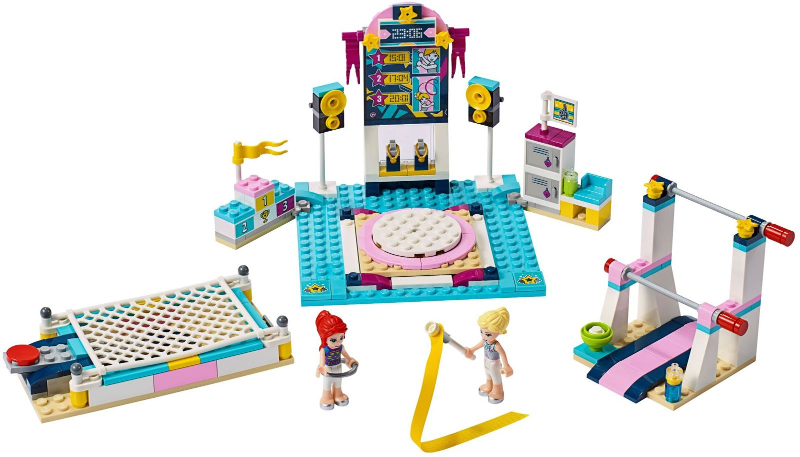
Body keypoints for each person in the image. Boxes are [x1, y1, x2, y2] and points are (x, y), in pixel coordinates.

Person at [464, 307, 514, 404]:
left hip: (494, 363)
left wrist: (506, 366)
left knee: (496, 377)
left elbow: (503, 354)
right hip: (486, 360)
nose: (483, 336)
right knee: (487, 374)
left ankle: (498, 391)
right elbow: (478, 345)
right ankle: (489, 386)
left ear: (499, 332)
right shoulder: (485, 341)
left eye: (487, 334)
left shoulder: (496, 345)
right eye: (481, 332)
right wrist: (471, 350)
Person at [315, 310, 358, 410]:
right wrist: (321, 367)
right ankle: (326, 397)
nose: (338, 342)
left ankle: (338, 395)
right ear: (325, 338)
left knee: (338, 383)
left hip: (338, 367)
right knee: (327, 385)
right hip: (328, 370)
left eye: (341, 338)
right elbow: (321, 362)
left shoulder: (340, 348)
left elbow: (347, 356)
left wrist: (350, 361)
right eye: (333, 340)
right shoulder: (324, 350)